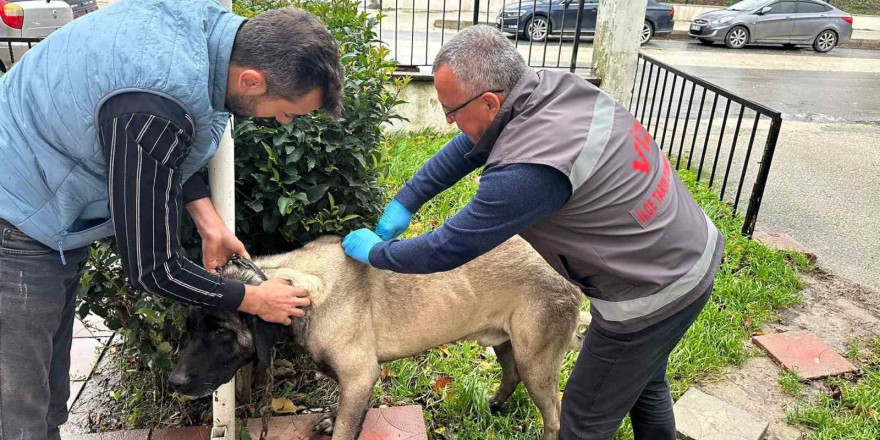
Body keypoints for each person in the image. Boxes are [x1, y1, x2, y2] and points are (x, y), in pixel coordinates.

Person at [341, 25, 724, 440]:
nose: (449, 121)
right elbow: (466, 147)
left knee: (583, 421)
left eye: (451, 110)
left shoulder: (526, 175)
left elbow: (448, 248)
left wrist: (377, 254)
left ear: (489, 101)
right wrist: (408, 200)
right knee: (645, 381)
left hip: (652, 291)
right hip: (689, 245)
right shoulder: (551, 89)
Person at [0, 1, 344, 438]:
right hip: (14, 215)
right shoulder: (156, 100)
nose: (281, 120)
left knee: (47, 399)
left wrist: (209, 221)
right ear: (251, 80)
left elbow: (158, 153)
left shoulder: (209, 36)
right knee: (17, 413)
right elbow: (151, 267)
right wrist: (253, 299)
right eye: (286, 109)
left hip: (44, 208)